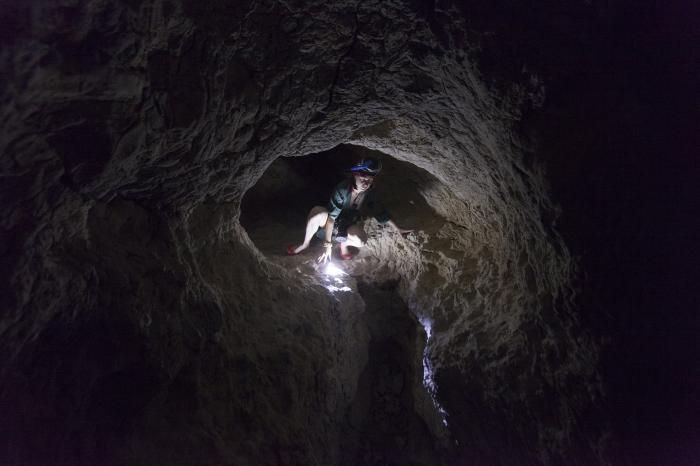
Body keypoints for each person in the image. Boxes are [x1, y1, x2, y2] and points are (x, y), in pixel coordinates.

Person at [287, 157, 412, 263]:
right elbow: (331, 218)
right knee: (317, 212)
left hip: (347, 224)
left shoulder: (369, 193)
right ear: (355, 175)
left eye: (369, 180)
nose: (366, 183)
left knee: (361, 240)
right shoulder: (343, 189)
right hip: (328, 222)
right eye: (363, 179)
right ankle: (305, 244)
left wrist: (398, 229)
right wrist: (327, 245)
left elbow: (380, 212)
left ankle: (344, 245)